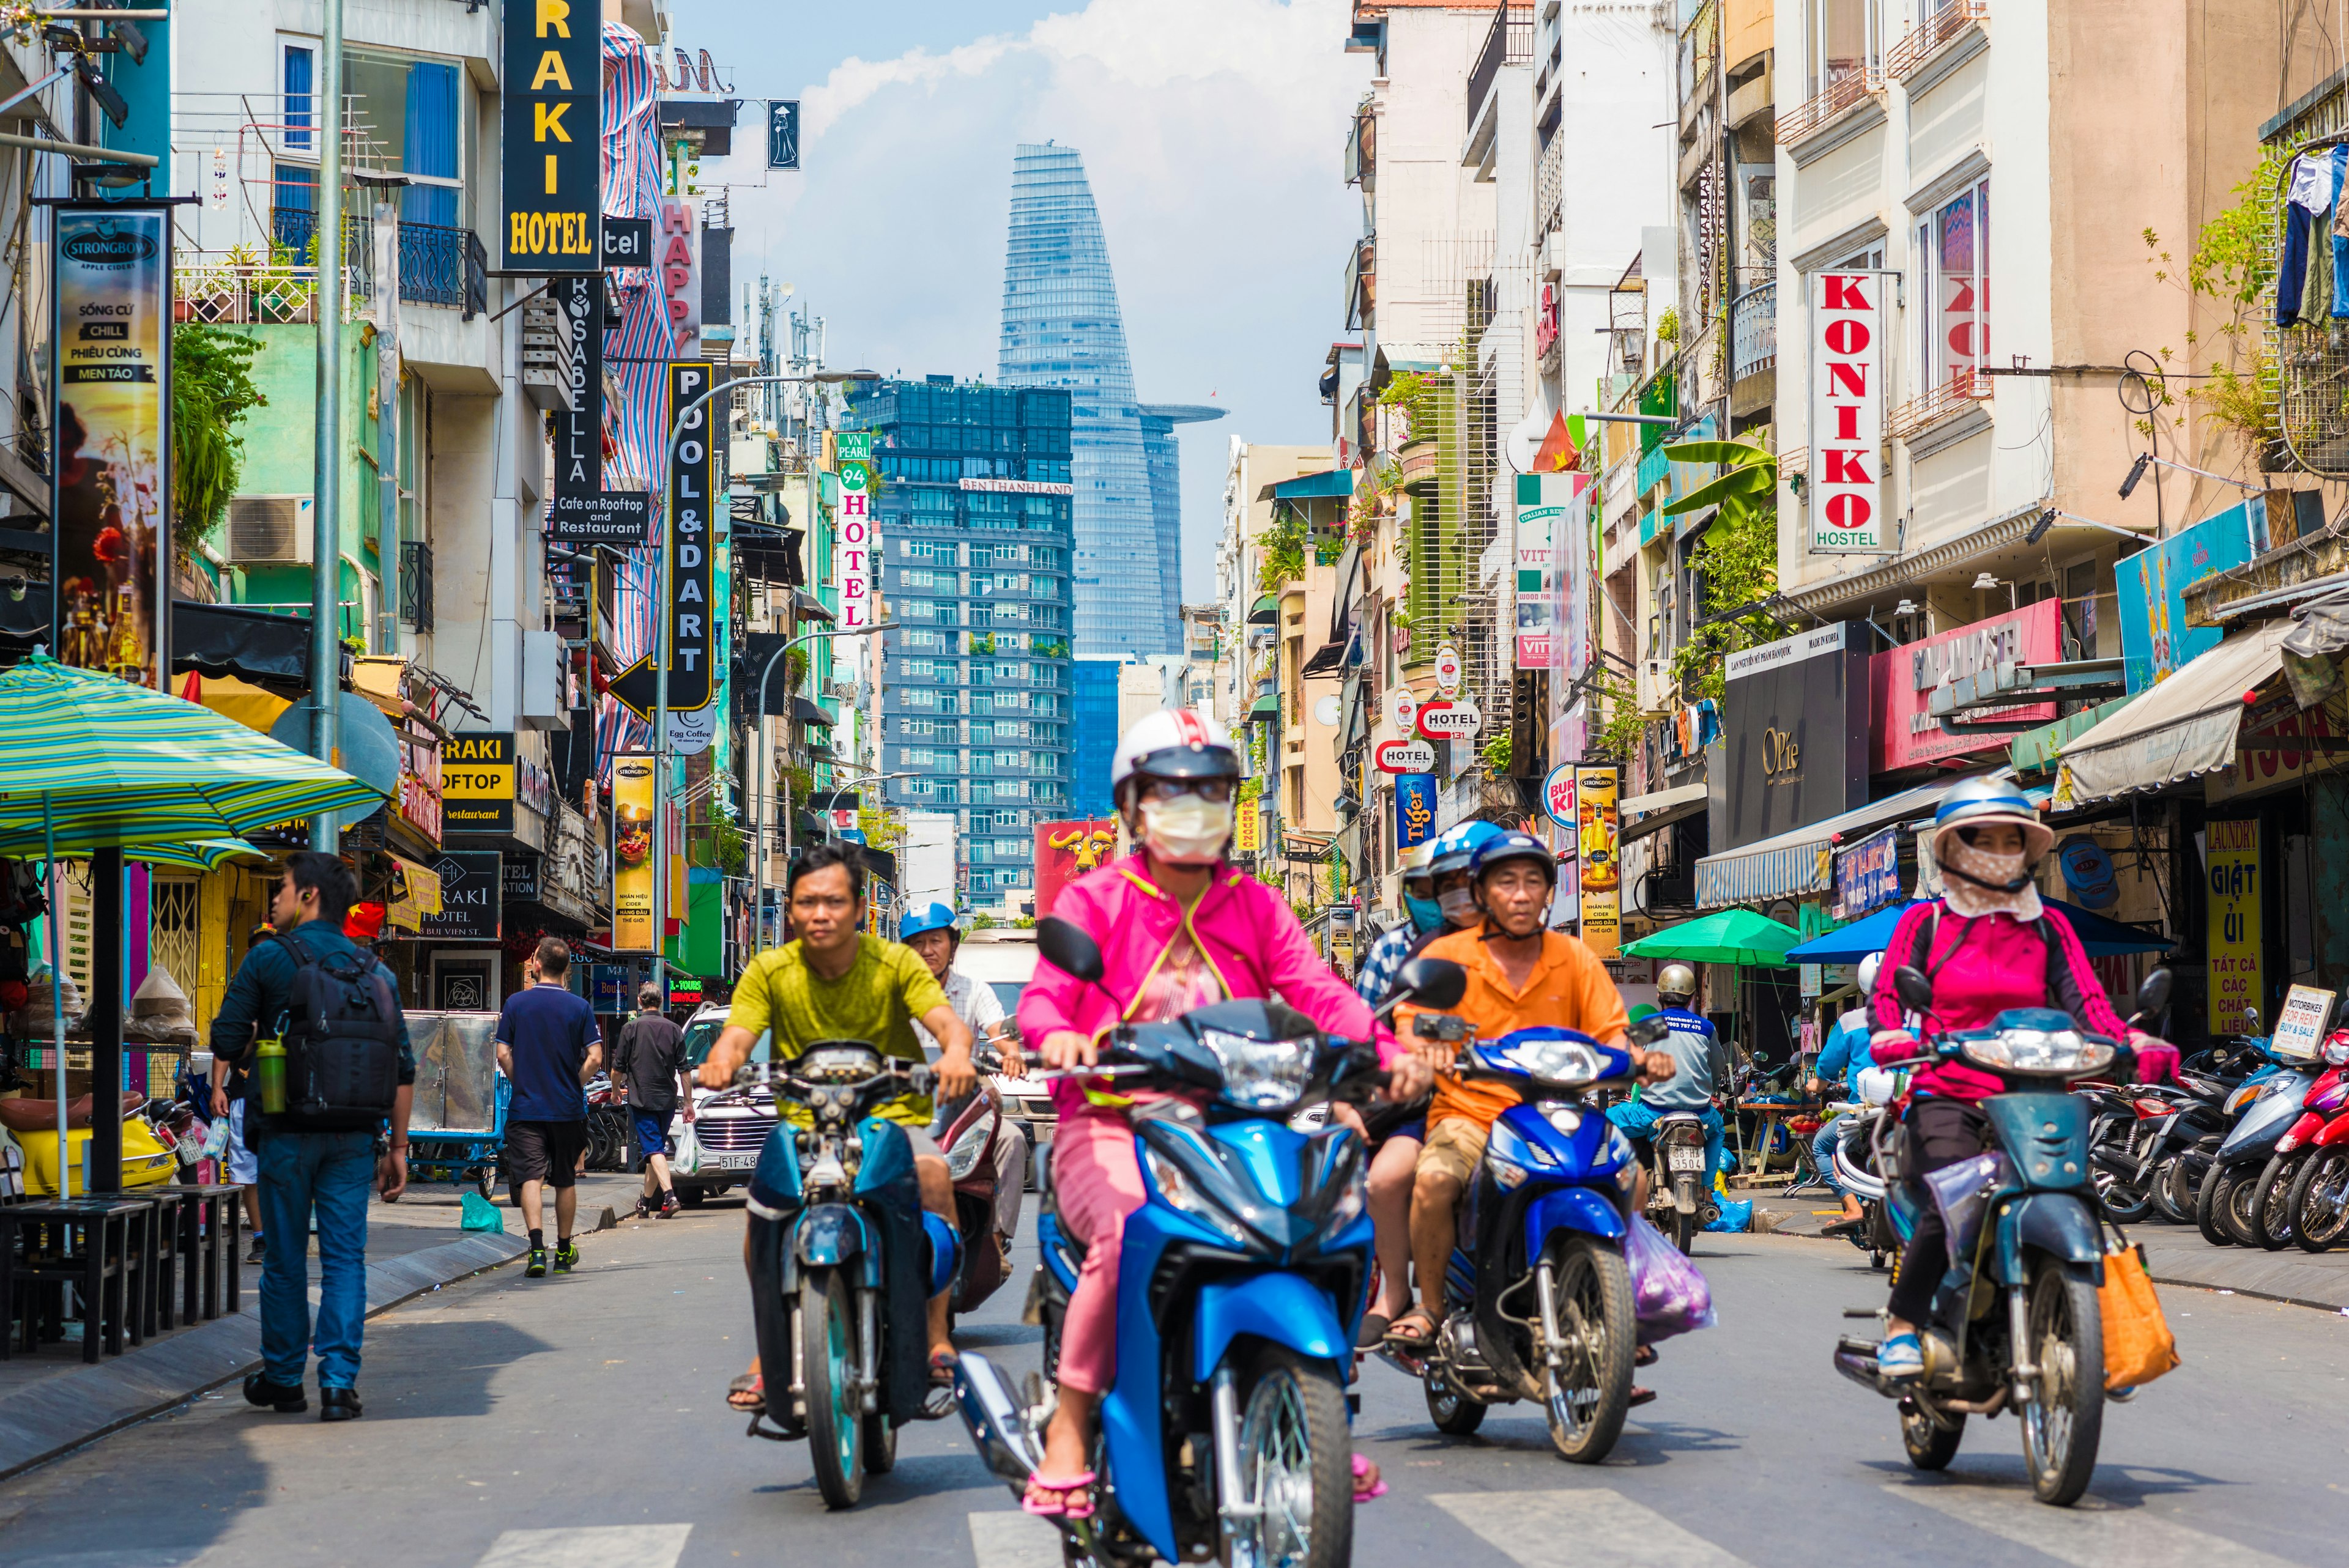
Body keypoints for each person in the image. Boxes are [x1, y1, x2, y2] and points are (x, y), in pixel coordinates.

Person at [1019, 709, 1432, 1517]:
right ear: (1134, 804)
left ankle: (1319, 1412)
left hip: (1246, 1115)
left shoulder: (1255, 902)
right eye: (1173, 790)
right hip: (1115, 1119)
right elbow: (1043, 1002)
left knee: (1332, 1209)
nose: (1192, 806)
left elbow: (1316, 990)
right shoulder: (1093, 899)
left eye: (1210, 790)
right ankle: (1072, 1424)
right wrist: (1062, 1037)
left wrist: (1385, 1052)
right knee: (1121, 1231)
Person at [1869, 780, 2177, 1380]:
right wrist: (1893, 1034)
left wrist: (2132, 1041)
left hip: (2036, 1092)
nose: (1999, 849)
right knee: (1952, 1194)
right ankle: (1904, 1323)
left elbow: (2089, 1002)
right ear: (1953, 848)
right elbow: (1888, 996)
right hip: (1947, 1087)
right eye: (1983, 838)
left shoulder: (2049, 927)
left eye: (2012, 838)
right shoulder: (1923, 920)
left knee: (2077, 1190)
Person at [1389, 830, 1675, 1400]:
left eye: (1532, 882)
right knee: (1433, 1181)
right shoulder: (1448, 956)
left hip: (1556, 1110)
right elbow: (1415, 1021)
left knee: (1634, 1177)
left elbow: (1612, 1032)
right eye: (1506, 882)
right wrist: (1426, 1048)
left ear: (1549, 893)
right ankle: (1431, 1307)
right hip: (1470, 1113)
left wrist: (1643, 1059)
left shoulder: (1573, 957)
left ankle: (1610, 1311)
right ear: (1483, 892)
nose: (1520, 895)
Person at [699, 842, 978, 1415]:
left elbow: (947, 1022)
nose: (820, 913)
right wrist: (723, 1058)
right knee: (764, 1208)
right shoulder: (770, 971)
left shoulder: (895, 964)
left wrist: (955, 1053)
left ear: (857, 909)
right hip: (804, 1125)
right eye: (807, 903)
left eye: (833, 901)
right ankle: (769, 1348)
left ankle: (934, 1335)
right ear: (793, 910)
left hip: (890, 1119)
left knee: (933, 1175)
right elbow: (739, 1033)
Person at [209, 852, 413, 1421]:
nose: (274, 899)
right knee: (347, 1258)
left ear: (308, 898)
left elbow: (224, 1039)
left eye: (281, 889)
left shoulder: (269, 957)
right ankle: (339, 1383)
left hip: (285, 1132)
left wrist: (261, 1035)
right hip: (354, 1138)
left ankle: (282, 1378)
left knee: (285, 1258)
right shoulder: (378, 972)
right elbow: (403, 1067)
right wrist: (398, 1148)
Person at [1346, 821, 1501, 1345]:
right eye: (1430, 889)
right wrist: (1410, 1058)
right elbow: (1373, 1030)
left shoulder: (1523, 945)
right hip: (1426, 1098)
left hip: (1513, 1093)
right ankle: (1399, 1294)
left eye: (1455, 884)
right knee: (1389, 1179)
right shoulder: (1407, 954)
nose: (1443, 898)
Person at [902, 901, 1030, 1275]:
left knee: (1012, 1140)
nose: (928, 950)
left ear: (952, 945)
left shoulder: (975, 991)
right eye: (919, 943)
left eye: (936, 941)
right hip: (908, 1106)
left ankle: (996, 1235)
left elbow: (999, 1033)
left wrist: (1011, 1055)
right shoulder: (896, 993)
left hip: (964, 1105)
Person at [495, 937, 603, 1278]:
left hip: (526, 1109)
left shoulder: (516, 1004)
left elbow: (502, 1054)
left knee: (530, 1177)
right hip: (567, 1109)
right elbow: (596, 1058)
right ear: (567, 969)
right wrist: (575, 1083)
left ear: (537, 964)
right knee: (565, 1179)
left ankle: (537, 1250)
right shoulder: (580, 1008)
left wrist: (520, 1081)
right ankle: (564, 1249)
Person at [1604, 963, 1728, 1206]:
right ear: (1691, 998)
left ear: (1659, 996)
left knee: (1605, 1121)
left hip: (1654, 1113)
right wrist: (1708, 1088)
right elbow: (1717, 1067)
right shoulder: (1705, 1027)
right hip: (1700, 1114)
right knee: (1718, 1130)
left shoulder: (1651, 1024)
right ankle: (1705, 1189)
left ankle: (1614, 1186)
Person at [1808, 952, 1883, 1237]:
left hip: (1862, 1110)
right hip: (1907, 1105)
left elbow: (1827, 1065)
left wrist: (1820, 1082)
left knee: (1821, 1146)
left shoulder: (1851, 1022)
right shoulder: (1914, 1017)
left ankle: (1852, 1206)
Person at [614, 985, 692, 1219]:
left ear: (639, 1000)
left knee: (654, 1150)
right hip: (668, 1101)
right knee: (654, 1150)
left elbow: (617, 1068)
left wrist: (615, 1089)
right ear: (661, 1001)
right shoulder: (675, 1030)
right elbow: (685, 1071)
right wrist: (688, 1102)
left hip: (642, 1101)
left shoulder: (630, 1029)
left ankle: (670, 1196)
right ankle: (646, 1203)